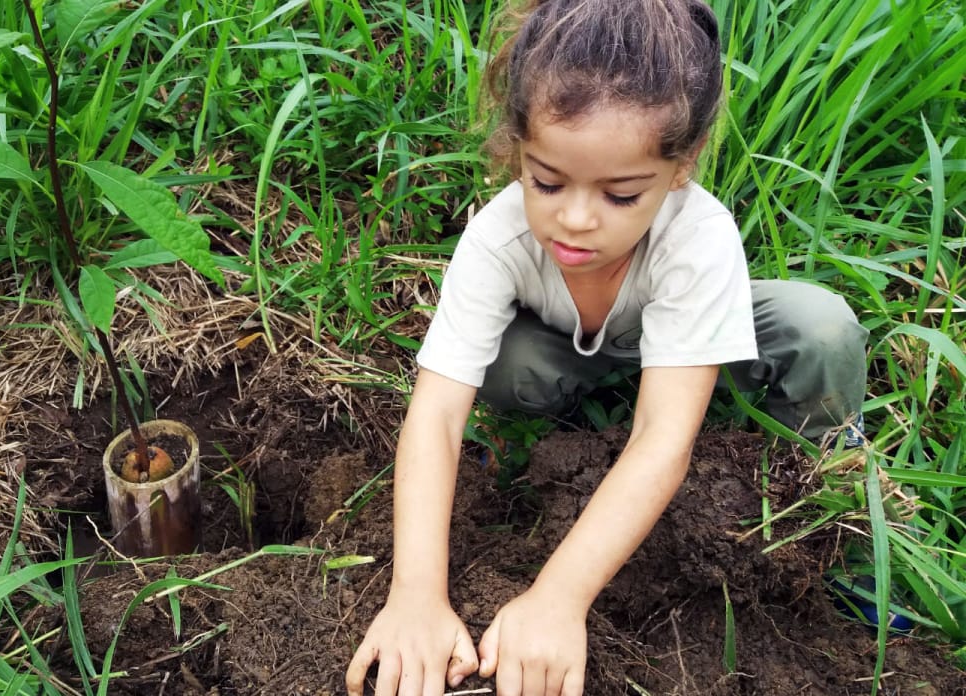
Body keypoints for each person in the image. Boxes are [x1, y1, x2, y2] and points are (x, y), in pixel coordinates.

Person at [344, 0, 869, 695]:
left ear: (682, 166)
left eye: (622, 195)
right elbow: (437, 415)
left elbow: (661, 438)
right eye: (547, 182)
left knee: (820, 326)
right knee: (506, 365)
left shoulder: (700, 239)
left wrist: (558, 599)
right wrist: (415, 595)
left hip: (687, 339)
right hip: (569, 345)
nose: (577, 219)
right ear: (518, 149)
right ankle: (560, 436)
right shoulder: (497, 240)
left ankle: (838, 512)